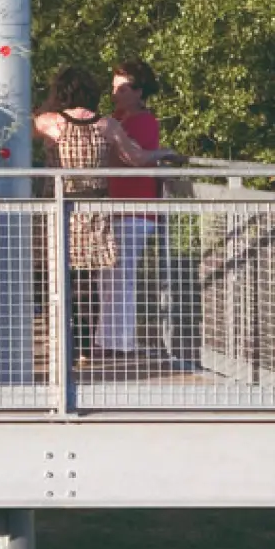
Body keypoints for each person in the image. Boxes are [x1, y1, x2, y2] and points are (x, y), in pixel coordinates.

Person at [34, 65, 130, 369]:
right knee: (89, 280)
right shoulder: (107, 126)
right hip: (94, 210)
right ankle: (85, 347)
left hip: (58, 207)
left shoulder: (50, 123)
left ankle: (59, 341)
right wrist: (164, 154)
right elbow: (136, 156)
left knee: (56, 278)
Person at [98, 60, 170, 367]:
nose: (116, 93)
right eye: (114, 87)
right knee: (109, 275)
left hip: (137, 207)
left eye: (123, 87)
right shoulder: (116, 118)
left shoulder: (143, 120)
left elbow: (136, 159)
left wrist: (162, 154)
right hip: (116, 206)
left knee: (121, 276)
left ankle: (120, 343)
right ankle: (107, 339)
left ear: (139, 91)